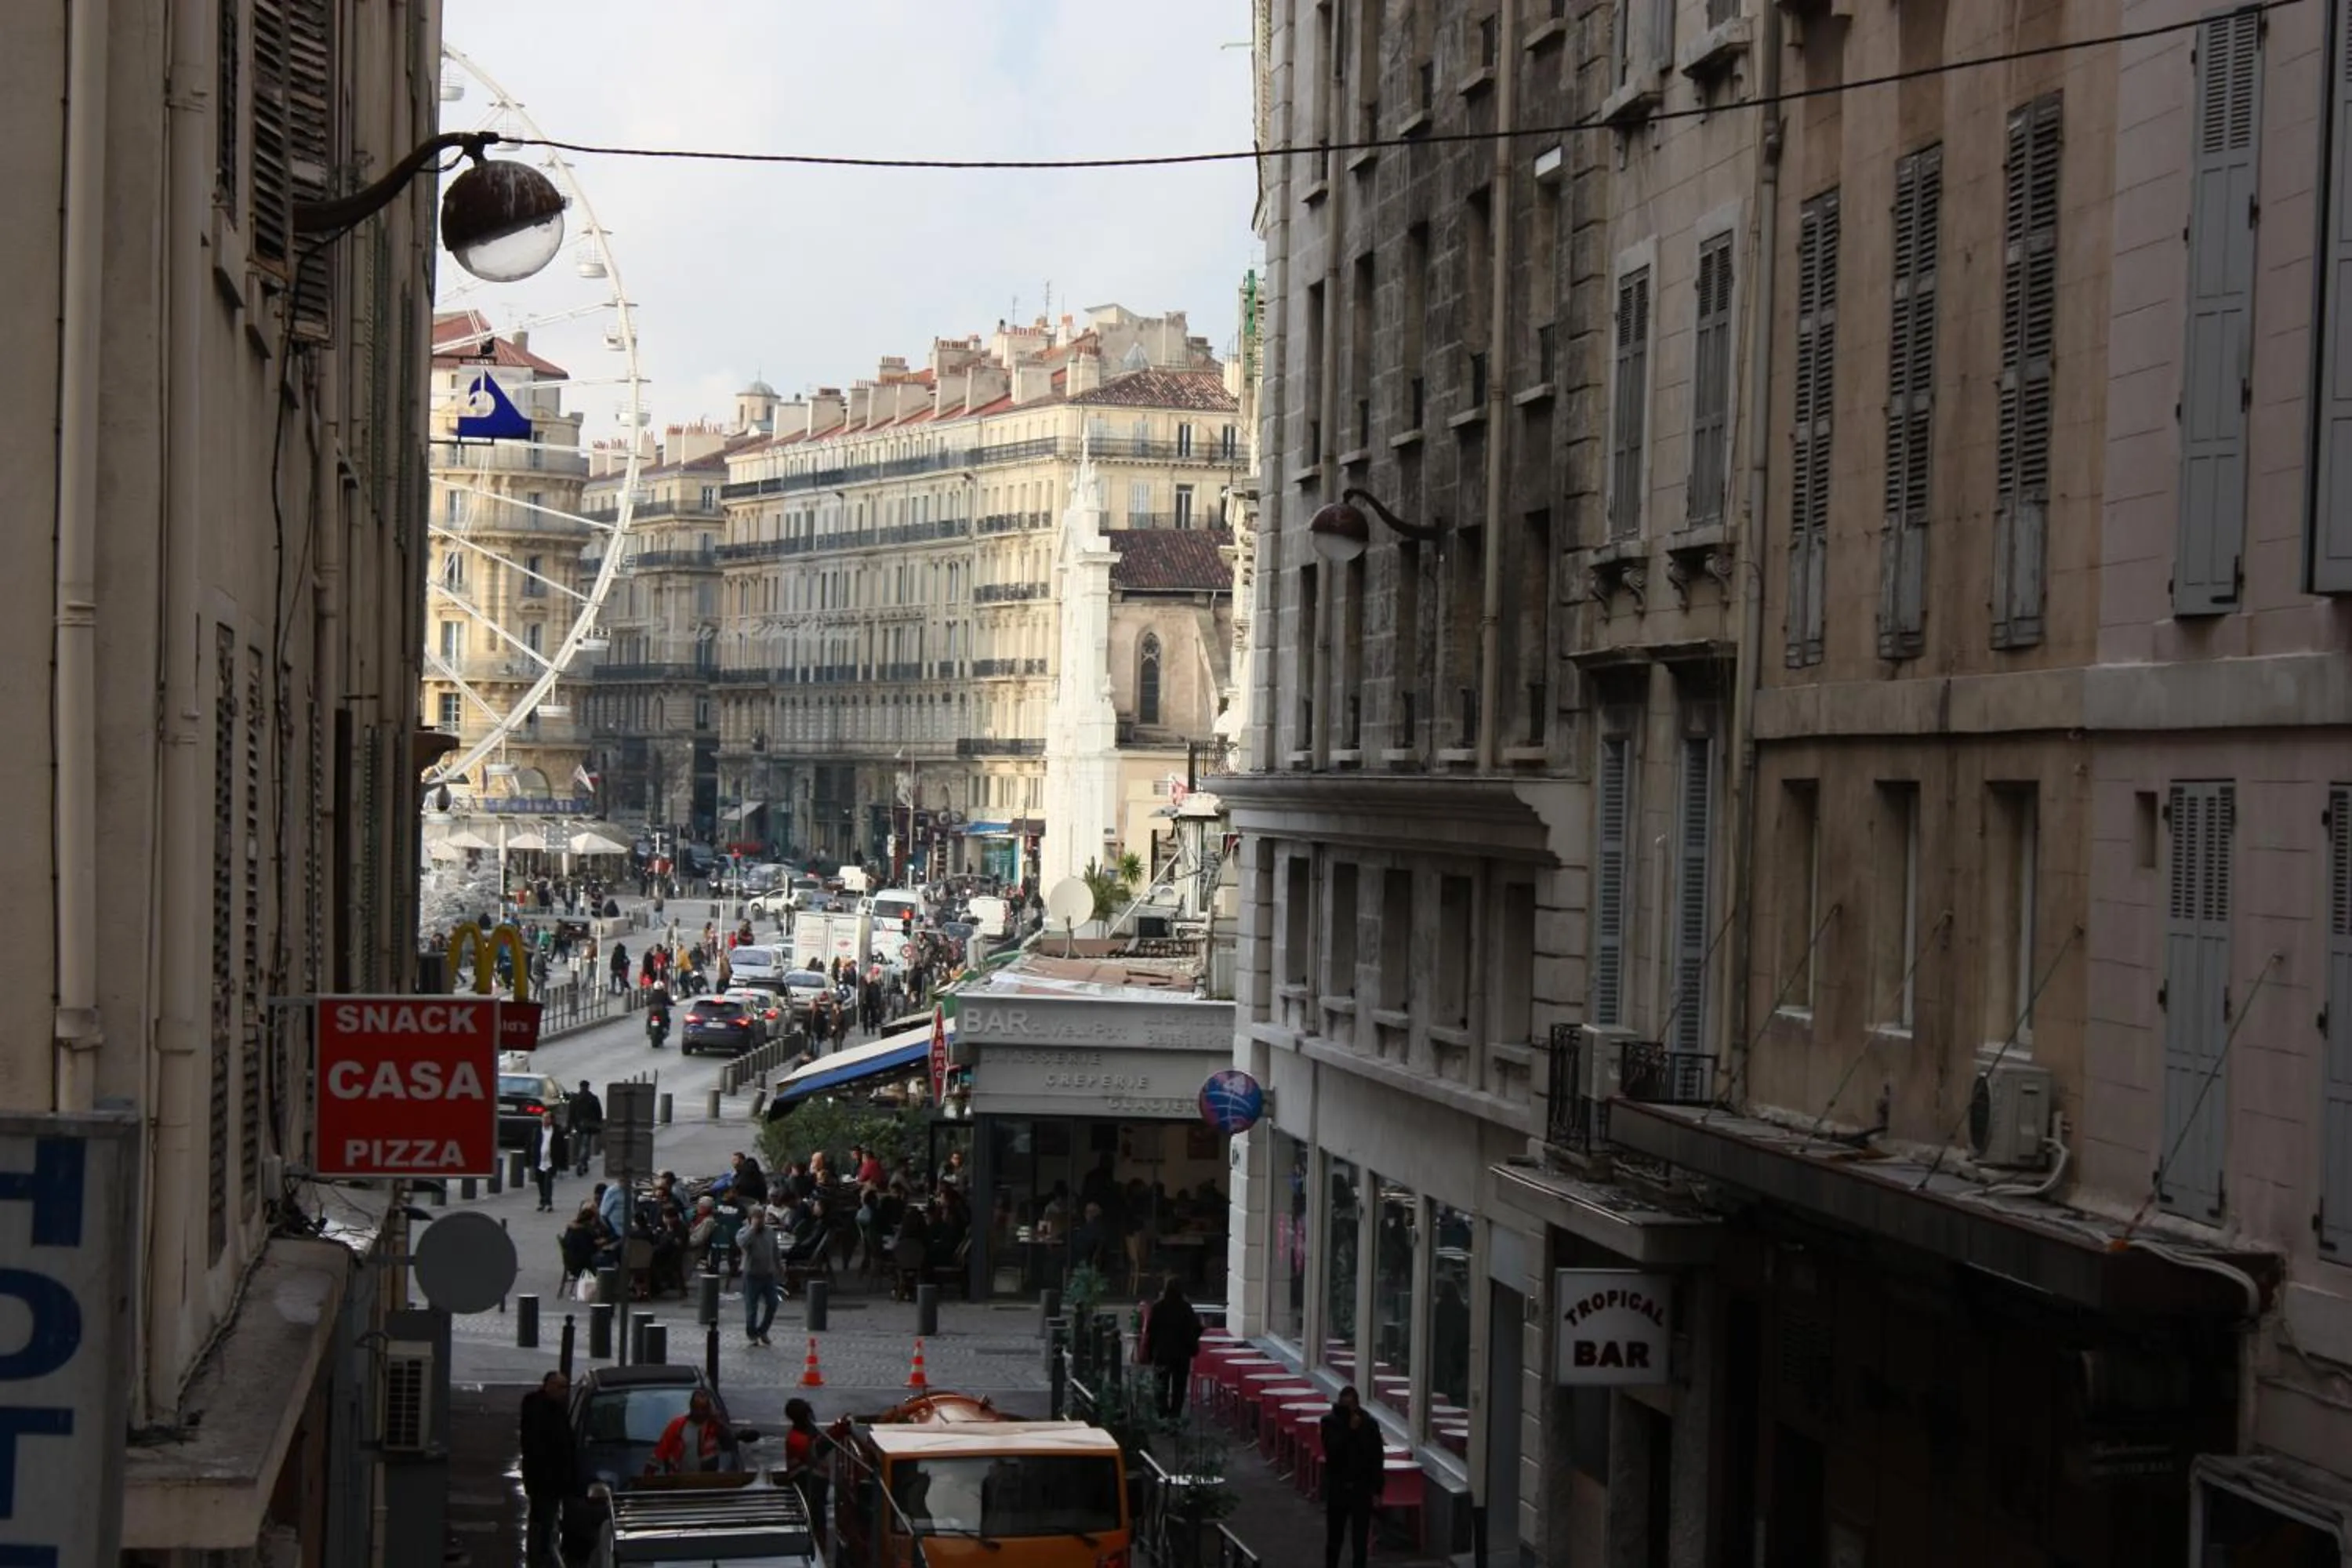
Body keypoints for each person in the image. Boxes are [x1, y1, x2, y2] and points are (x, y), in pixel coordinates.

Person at [1319, 1386, 1386, 1568]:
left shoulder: (1369, 1424)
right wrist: (1350, 1431)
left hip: (1361, 1488)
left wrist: (1378, 1490)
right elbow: (1333, 1452)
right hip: (1338, 1486)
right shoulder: (1329, 1423)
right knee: (1335, 1537)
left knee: (1360, 1540)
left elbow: (1376, 1458)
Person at [517, 1370, 576, 1568]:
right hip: (546, 1478)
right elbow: (542, 1446)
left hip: (544, 1477)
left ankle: (540, 1553)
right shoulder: (544, 1410)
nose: (565, 1392)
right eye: (561, 1387)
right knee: (545, 1518)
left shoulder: (545, 1407)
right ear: (549, 1386)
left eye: (566, 1387)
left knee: (542, 1517)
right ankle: (541, 1556)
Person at [1143, 1277, 1203, 1418]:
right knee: (1179, 1387)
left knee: (1161, 1386)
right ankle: (1175, 1416)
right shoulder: (1185, 1307)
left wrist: (1150, 1351)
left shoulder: (1159, 1307)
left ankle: (1162, 1415)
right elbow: (1196, 1328)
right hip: (1181, 1354)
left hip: (1162, 1352)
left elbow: (1151, 1331)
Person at [648, 1388, 730, 1475]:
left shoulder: (714, 1427)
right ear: (691, 1407)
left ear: (708, 1409)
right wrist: (648, 1477)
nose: (700, 1413)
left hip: (707, 1482)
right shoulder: (677, 1426)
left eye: (703, 1409)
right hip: (679, 1481)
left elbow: (730, 1446)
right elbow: (660, 1453)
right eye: (696, 1408)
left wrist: (719, 1424)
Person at [782, 1397, 829, 1524]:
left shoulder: (800, 1434)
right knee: (814, 1520)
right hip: (807, 1483)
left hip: (814, 1483)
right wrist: (837, 1431)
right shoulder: (798, 1439)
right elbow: (816, 1451)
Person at [740, 1204, 782, 1346]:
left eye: (762, 1217)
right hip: (752, 1275)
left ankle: (763, 1330)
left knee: (773, 1303)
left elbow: (775, 1250)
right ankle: (752, 1333)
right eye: (757, 1217)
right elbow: (743, 1243)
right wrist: (752, 1229)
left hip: (768, 1274)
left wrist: (779, 1267)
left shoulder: (770, 1232)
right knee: (752, 1308)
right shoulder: (744, 1232)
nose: (760, 1221)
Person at [531, 1111, 567, 1214]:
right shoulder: (537, 1130)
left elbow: (562, 1148)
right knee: (540, 1182)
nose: (545, 1120)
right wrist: (530, 1160)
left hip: (551, 1161)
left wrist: (562, 1164)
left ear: (552, 1120)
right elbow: (532, 1145)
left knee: (548, 1182)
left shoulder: (557, 1132)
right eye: (543, 1118)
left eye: (547, 1118)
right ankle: (542, 1201)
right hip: (539, 1160)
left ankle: (548, 1203)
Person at [568, 1080, 604, 1177]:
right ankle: (581, 1162)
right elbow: (599, 1113)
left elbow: (571, 1113)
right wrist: (599, 1125)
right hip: (589, 1126)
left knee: (580, 1145)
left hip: (578, 1126)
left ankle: (583, 1162)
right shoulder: (593, 1098)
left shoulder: (575, 1099)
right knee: (585, 1145)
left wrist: (570, 1126)